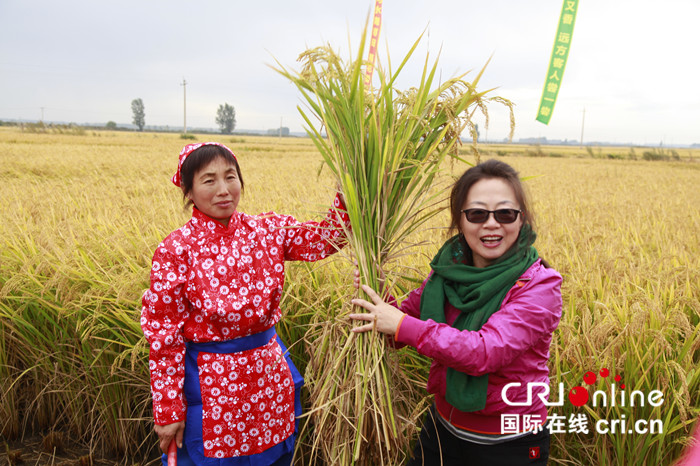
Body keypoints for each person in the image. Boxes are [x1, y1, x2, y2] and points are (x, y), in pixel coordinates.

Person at [141, 142, 350, 465]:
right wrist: (168, 409)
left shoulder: (268, 230)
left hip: (268, 380)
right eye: (209, 180)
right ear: (188, 191)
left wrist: (350, 183)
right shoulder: (176, 250)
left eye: (231, 177)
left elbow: (328, 238)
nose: (224, 190)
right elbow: (164, 336)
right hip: (212, 391)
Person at [349, 159, 562, 465]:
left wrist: (400, 324)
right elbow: (399, 327)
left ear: (521, 219)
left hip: (510, 444)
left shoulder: (539, 286)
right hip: (443, 431)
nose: (491, 224)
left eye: (505, 213)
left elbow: (484, 351)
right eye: (477, 213)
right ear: (460, 220)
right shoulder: (446, 276)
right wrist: (377, 293)